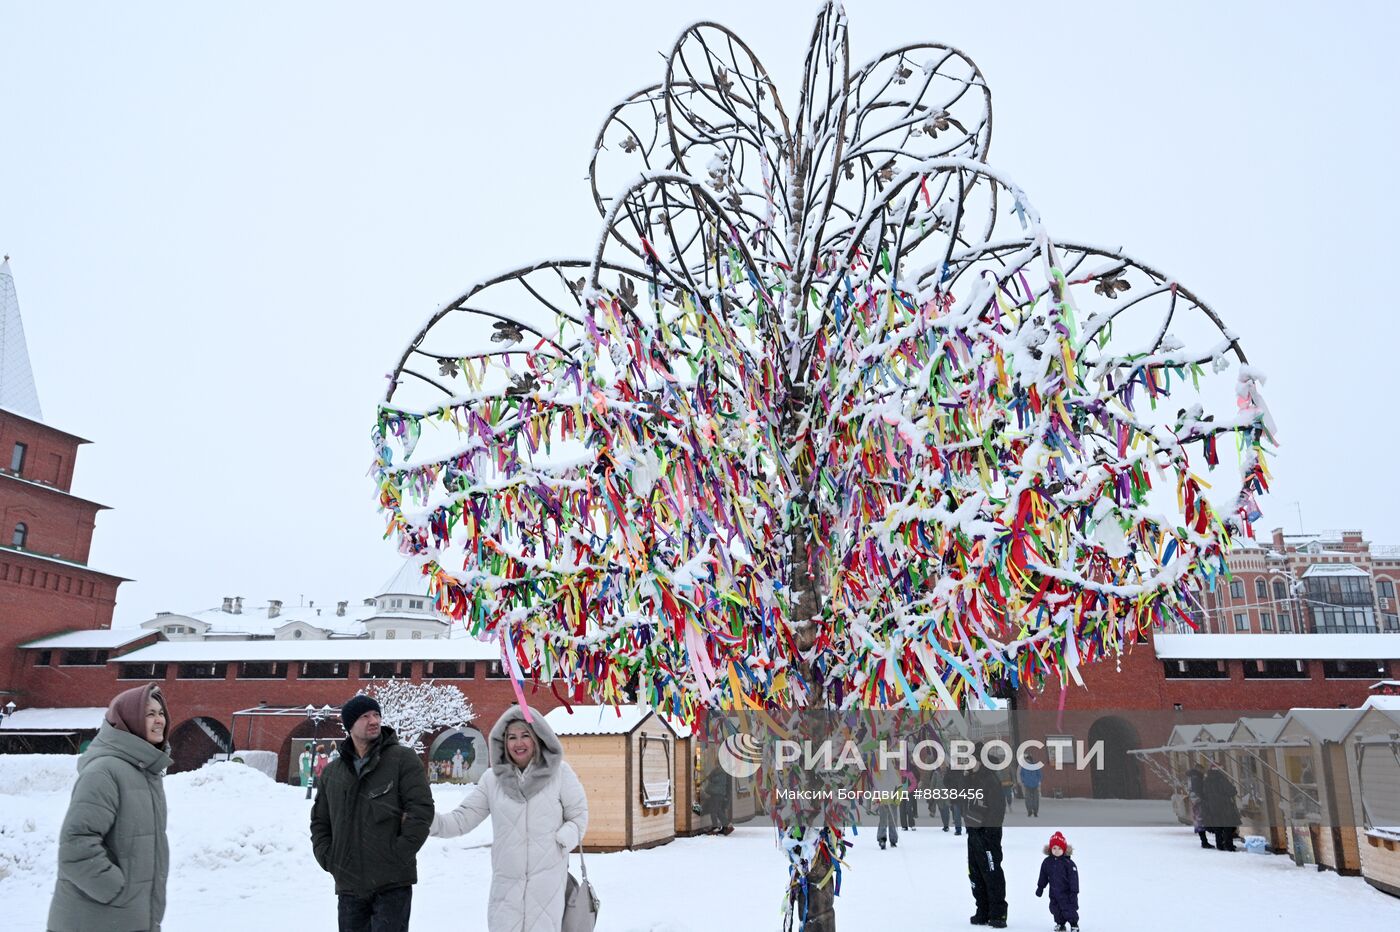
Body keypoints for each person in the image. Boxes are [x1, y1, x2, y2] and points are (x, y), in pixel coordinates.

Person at [431, 705, 589, 932]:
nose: (518, 743)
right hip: (506, 892)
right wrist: (424, 820)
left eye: (526, 735)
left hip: (547, 889)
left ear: (538, 739)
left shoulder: (560, 774)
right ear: (503, 742)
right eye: (512, 737)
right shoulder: (491, 780)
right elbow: (461, 819)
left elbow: (578, 814)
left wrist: (564, 838)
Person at [47, 683, 171, 932]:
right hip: (96, 920)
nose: (160, 720)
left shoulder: (144, 772)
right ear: (130, 721)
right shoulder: (105, 771)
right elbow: (76, 846)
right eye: (149, 714)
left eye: (161, 713)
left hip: (126, 919)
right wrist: (116, 891)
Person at [311, 695, 434, 932]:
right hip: (348, 885)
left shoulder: (402, 759)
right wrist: (329, 858)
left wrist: (398, 854)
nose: (373, 720)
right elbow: (320, 821)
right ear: (349, 725)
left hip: (392, 883)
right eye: (365, 716)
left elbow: (421, 809)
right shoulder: (333, 773)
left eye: (376, 714)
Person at [954, 743, 1008, 928]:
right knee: (975, 873)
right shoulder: (970, 778)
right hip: (973, 831)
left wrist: (990, 830)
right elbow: (958, 796)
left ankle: (998, 913)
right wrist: (964, 779)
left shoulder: (990, 779)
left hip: (988, 833)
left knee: (991, 873)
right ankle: (982, 910)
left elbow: (997, 808)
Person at [1035, 831, 1080, 932]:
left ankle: (1074, 925)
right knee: (1055, 909)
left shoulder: (1068, 864)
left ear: (1064, 849)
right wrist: (1040, 887)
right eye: (1054, 848)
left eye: (1059, 848)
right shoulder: (1047, 862)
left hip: (1067, 893)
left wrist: (1074, 892)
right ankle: (1060, 924)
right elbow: (1043, 875)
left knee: (1069, 909)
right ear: (1050, 848)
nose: (1056, 850)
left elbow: (1074, 879)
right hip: (1054, 893)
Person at [1202, 760, 1241, 852]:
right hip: (1224, 806)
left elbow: (1204, 794)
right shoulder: (1221, 779)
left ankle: (1219, 844)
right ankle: (1228, 844)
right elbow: (1231, 791)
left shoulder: (1207, 780)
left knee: (1217, 827)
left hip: (1212, 807)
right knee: (1228, 826)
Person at [701, 763, 734, 835]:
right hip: (718, 794)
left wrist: (709, 777)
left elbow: (716, 780)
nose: (716, 765)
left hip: (716, 794)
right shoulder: (721, 771)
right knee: (717, 810)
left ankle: (716, 827)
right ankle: (727, 825)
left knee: (713, 811)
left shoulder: (721, 771)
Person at [1185, 764, 1210, 849]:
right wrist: (1204, 799)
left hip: (1194, 802)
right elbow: (1199, 790)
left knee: (1199, 822)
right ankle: (1204, 842)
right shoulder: (1196, 778)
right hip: (1198, 802)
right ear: (1199, 769)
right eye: (1203, 770)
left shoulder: (1192, 777)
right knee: (1201, 822)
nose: (1204, 771)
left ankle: (1204, 841)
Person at [1019, 751, 1043, 817]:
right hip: (1033, 784)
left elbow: (1022, 775)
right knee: (1035, 799)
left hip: (1029, 784)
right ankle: (1034, 811)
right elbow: (1040, 775)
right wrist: (1037, 780)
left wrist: (1024, 781)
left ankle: (1030, 811)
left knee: (1028, 799)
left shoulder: (1024, 767)